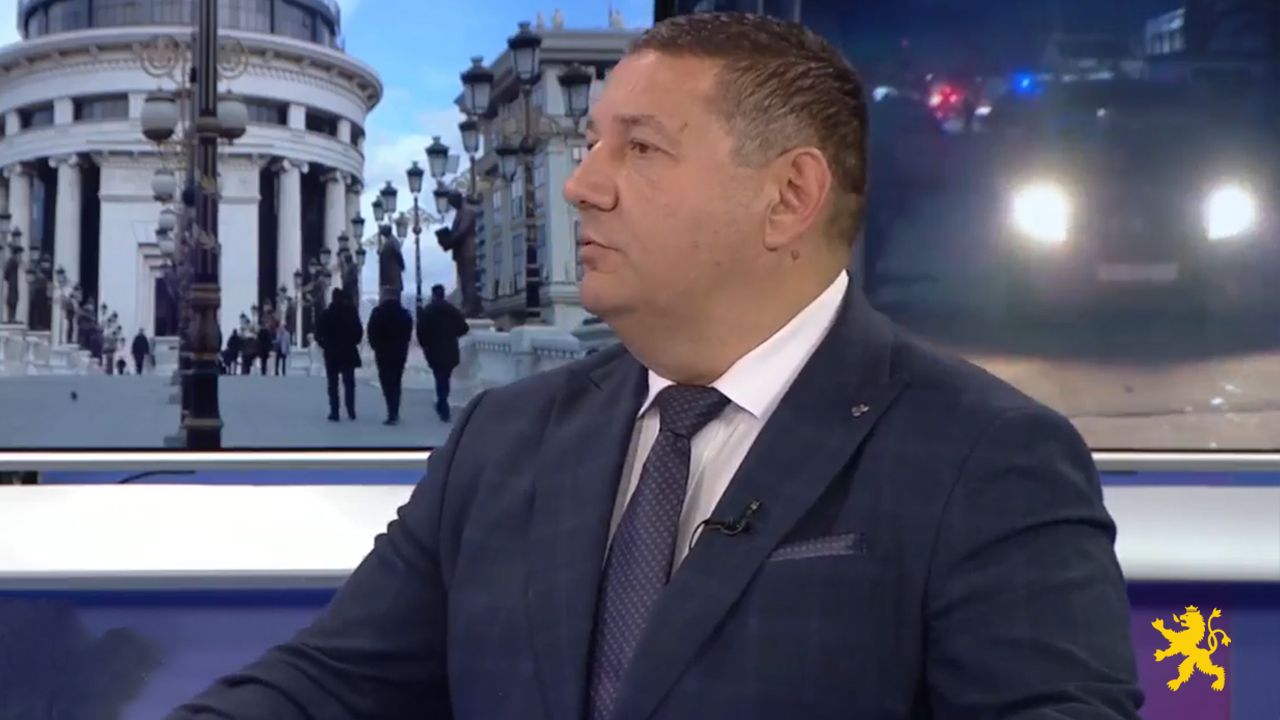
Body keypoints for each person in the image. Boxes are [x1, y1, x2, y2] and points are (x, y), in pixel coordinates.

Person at [166, 13, 1141, 719]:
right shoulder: (502, 439)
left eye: (638, 148)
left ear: (788, 197)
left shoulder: (986, 458)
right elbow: (331, 685)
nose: (584, 187)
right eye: (592, 143)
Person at [414, 283, 469, 421]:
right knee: (445, 377)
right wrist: (452, 334)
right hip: (450, 349)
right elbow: (464, 328)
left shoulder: (428, 311)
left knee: (439, 377)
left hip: (433, 350)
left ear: (433, 295)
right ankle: (442, 402)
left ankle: (442, 404)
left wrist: (425, 345)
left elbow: (420, 331)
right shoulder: (452, 310)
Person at [314, 287, 363, 422]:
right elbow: (358, 333)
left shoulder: (326, 314)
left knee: (333, 383)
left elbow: (318, 334)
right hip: (348, 352)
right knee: (349, 383)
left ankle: (334, 411)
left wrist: (325, 345)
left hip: (332, 353)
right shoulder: (351, 314)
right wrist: (352, 342)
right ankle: (351, 410)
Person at [366, 287, 414, 425]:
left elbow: (371, 331)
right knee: (396, 380)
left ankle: (391, 408)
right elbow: (408, 332)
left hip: (382, 352)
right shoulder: (404, 313)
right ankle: (395, 409)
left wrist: (375, 346)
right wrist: (403, 344)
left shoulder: (378, 313)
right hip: (399, 352)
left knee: (386, 381)